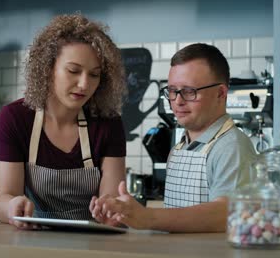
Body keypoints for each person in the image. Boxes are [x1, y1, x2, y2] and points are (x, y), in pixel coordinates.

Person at [90, 43, 257, 232]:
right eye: (172, 91)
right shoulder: (180, 147)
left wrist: (148, 217)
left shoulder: (231, 146)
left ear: (221, 93)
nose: (177, 101)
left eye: (189, 91)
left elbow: (227, 213)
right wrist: (121, 215)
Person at [0, 14, 127, 229]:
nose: (84, 84)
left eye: (94, 75)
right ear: (47, 69)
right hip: (33, 236)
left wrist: (110, 209)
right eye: (74, 71)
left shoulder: (108, 123)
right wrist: (11, 206)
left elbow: (111, 197)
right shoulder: (15, 118)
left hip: (95, 240)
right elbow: (3, 198)